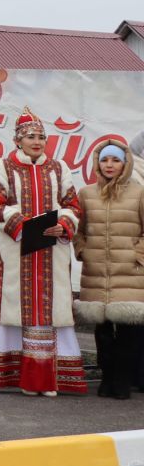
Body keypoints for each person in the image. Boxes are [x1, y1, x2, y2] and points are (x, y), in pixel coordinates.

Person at [0, 112, 86, 396]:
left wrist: (63, 224)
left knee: (52, 307)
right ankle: (21, 379)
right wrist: (29, 227)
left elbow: (73, 205)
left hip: (53, 250)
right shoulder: (2, 166)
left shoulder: (59, 167)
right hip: (18, 251)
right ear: (18, 140)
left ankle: (52, 379)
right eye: (31, 137)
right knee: (21, 307)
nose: (37, 142)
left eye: (41, 137)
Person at [72, 141, 144, 400]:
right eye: (105, 160)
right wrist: (82, 251)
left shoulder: (139, 193)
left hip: (130, 273)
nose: (110, 165)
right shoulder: (86, 194)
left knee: (129, 331)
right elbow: (78, 231)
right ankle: (107, 376)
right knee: (102, 332)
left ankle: (122, 380)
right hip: (97, 272)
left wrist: (139, 256)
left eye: (115, 160)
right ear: (97, 163)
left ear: (125, 163)